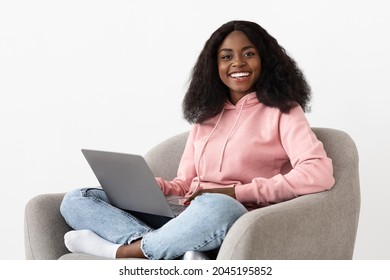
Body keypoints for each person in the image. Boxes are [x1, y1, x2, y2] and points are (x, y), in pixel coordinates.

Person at [60, 20, 335, 260]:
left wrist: (235, 192)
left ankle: (122, 252)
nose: (237, 63)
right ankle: (179, 249)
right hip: (186, 215)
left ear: (265, 61)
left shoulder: (283, 111)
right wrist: (155, 188)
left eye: (248, 54)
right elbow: (184, 184)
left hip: (232, 214)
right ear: (215, 66)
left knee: (217, 207)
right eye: (226, 57)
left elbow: (318, 173)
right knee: (77, 199)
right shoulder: (206, 115)